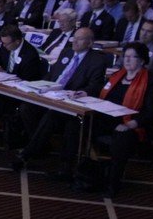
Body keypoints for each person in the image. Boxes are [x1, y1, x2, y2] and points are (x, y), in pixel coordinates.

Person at [13, 28, 108, 178]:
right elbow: (52, 74)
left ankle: (27, 154)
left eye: (80, 39)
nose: (74, 41)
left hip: (70, 101)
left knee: (52, 116)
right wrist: (40, 85)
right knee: (26, 108)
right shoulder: (67, 52)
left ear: (90, 43)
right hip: (50, 94)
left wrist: (82, 92)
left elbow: (95, 85)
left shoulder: (97, 60)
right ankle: (41, 146)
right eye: (74, 37)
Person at [90, 42, 153, 196]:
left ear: (142, 60)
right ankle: (75, 172)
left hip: (133, 124)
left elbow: (151, 112)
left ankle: (113, 183)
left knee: (122, 137)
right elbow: (102, 93)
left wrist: (131, 124)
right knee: (77, 123)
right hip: (107, 119)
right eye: (126, 56)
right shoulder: (117, 75)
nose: (127, 60)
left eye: (132, 57)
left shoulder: (150, 81)